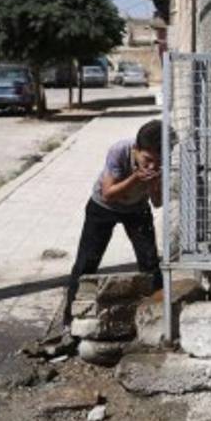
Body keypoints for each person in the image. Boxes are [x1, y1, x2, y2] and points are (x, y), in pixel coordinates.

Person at [62, 119, 165, 328]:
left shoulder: (159, 165)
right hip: (103, 208)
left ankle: (160, 319)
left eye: (157, 162)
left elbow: (157, 203)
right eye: (147, 160)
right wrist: (136, 178)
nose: (151, 166)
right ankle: (69, 322)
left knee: (151, 265)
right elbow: (109, 194)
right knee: (86, 264)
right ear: (136, 149)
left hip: (137, 209)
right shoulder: (119, 150)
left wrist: (155, 183)